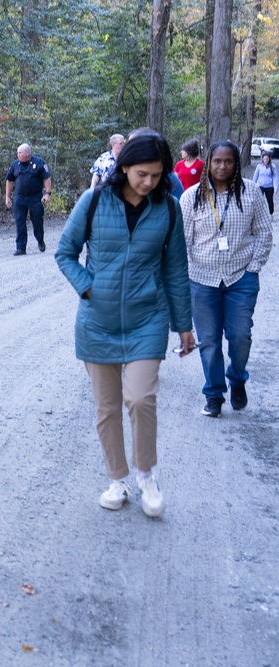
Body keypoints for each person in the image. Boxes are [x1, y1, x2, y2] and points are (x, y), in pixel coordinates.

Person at [55, 133, 195, 519]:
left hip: (147, 319)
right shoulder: (94, 201)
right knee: (107, 407)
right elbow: (65, 253)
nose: (148, 182)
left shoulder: (168, 208)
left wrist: (184, 325)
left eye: (156, 175)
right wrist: (88, 289)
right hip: (97, 322)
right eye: (141, 174)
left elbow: (175, 269)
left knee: (140, 398)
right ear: (124, 167)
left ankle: (146, 475)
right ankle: (117, 479)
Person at [180, 140, 273, 418]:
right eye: (217, 161)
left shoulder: (252, 193)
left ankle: (237, 379)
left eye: (228, 161)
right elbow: (181, 241)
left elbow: (264, 232)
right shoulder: (191, 197)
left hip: (240, 278)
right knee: (209, 340)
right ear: (208, 162)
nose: (222, 166)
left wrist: (253, 267)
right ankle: (214, 394)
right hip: (201, 278)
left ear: (236, 164)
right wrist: (185, 275)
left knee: (240, 336)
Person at [5, 144, 52, 255]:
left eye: (19, 153)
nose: (18, 155)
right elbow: (9, 180)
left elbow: (47, 178)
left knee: (37, 222)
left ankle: (40, 240)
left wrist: (47, 193)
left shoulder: (39, 162)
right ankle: (21, 247)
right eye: (17, 153)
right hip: (19, 197)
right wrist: (7, 196)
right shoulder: (15, 164)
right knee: (20, 222)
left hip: (35, 197)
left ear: (27, 153)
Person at [252, 150, 277, 216]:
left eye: (267, 159)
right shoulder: (259, 166)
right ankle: (258, 214)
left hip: (269, 186)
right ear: (262, 159)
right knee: (259, 200)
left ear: (269, 159)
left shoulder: (273, 167)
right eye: (264, 159)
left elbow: (275, 178)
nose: (265, 160)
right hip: (260, 185)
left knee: (270, 201)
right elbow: (255, 176)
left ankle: (271, 213)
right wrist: (252, 185)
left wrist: (276, 188)